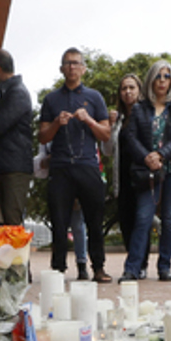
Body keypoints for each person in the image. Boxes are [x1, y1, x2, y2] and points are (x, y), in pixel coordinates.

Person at [38, 47, 112, 282]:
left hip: (88, 165)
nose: (72, 67)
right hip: (60, 167)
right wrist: (56, 124)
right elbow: (42, 137)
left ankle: (98, 267)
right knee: (59, 222)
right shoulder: (51, 99)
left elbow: (106, 134)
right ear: (62, 69)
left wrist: (88, 119)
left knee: (94, 220)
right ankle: (58, 270)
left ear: (83, 68)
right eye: (67, 63)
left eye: (76, 63)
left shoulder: (95, 97)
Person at [120, 60, 171, 282]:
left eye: (167, 76)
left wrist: (162, 155)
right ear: (151, 79)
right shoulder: (140, 108)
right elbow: (130, 137)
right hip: (147, 171)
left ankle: (164, 266)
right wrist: (147, 157)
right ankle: (132, 268)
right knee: (143, 217)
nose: (162, 81)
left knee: (169, 218)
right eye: (158, 76)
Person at [0, 49, 33, 227]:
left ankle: (21, 256)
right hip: (5, 165)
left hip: (14, 166)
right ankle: (15, 256)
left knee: (12, 222)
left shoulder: (17, 93)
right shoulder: (5, 95)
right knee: (5, 222)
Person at [104, 74, 144, 274]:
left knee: (142, 219)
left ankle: (140, 264)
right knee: (126, 221)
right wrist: (110, 127)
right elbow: (108, 150)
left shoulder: (147, 113)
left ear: (139, 90)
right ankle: (134, 262)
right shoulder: (117, 119)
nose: (127, 92)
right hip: (123, 177)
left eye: (131, 87)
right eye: (124, 88)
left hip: (143, 176)